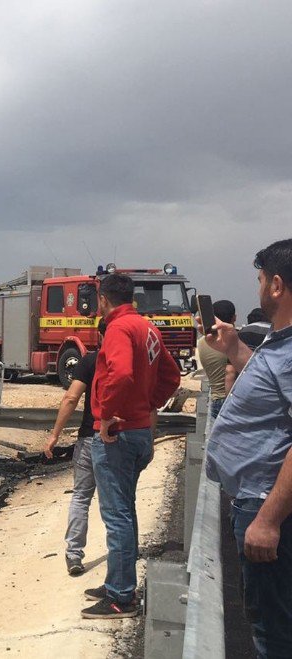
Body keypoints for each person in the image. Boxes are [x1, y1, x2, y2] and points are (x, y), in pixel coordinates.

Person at [204, 238, 292, 657]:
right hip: (256, 502)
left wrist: (269, 520)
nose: (256, 288)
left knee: (272, 631)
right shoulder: (279, 341)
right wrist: (235, 348)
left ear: (276, 285)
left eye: (259, 280)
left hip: (267, 507)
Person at [80, 273, 181, 619]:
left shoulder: (119, 329)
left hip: (117, 435)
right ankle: (117, 582)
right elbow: (172, 375)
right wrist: (147, 405)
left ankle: (121, 597)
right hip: (137, 432)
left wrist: (107, 414)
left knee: (117, 514)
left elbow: (120, 375)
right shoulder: (147, 327)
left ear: (104, 300)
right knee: (126, 509)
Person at [44, 320, 106, 577]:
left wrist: (54, 435)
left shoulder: (90, 361)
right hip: (119, 438)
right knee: (117, 502)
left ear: (100, 334)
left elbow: (71, 398)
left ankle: (74, 554)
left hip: (90, 438)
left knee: (81, 496)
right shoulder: (130, 360)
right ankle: (124, 555)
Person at [196, 299, 236, 420]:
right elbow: (231, 371)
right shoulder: (232, 341)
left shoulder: (202, 342)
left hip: (214, 398)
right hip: (229, 399)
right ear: (234, 317)